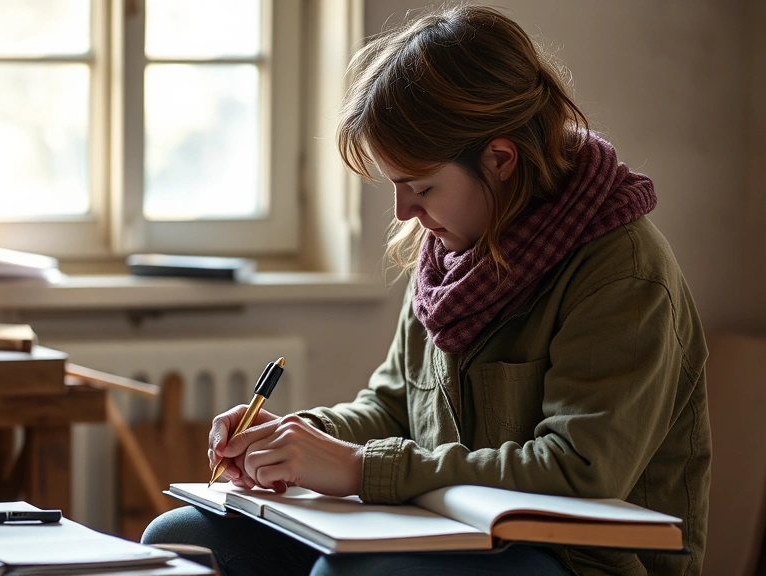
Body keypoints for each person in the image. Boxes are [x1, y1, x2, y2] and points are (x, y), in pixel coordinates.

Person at [142, 5, 710, 576]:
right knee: (181, 535)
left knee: (356, 575)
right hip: (447, 527)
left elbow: (579, 471)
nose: (404, 212)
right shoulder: (453, 251)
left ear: (500, 158)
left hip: (580, 560)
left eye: (421, 187)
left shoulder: (622, 273)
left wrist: (361, 470)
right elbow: (392, 406)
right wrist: (294, 439)